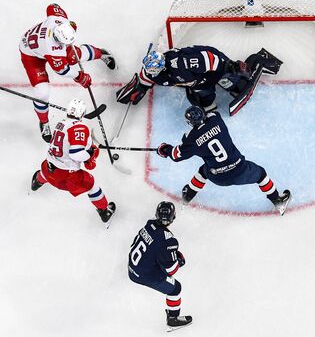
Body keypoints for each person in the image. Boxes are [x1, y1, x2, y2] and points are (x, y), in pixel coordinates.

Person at [157, 106, 292, 215]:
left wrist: (164, 149)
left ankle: (188, 196)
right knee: (261, 174)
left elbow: (175, 155)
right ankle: (277, 201)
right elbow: (212, 114)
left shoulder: (191, 140)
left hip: (217, 177)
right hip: (240, 169)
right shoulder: (216, 120)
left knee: (203, 171)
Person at [19, 3, 116, 142]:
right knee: (42, 93)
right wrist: (80, 77)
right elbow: (62, 70)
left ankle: (101, 53)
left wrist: (69, 25)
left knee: (74, 55)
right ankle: (44, 122)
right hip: (31, 56)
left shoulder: (58, 20)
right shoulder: (53, 48)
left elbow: (52, 6)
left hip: (42, 43)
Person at [115, 45, 282, 116]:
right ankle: (209, 99)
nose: (149, 72)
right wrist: (140, 89)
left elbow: (209, 58)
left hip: (213, 65)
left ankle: (259, 61)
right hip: (196, 79)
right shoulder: (154, 71)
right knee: (202, 93)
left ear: (160, 65)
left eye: (152, 70)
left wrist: (230, 66)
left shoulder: (180, 62)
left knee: (229, 83)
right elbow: (145, 78)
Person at [30, 98, 116, 224]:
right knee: (92, 186)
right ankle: (104, 211)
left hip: (48, 168)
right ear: (82, 113)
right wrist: (89, 154)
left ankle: (37, 182)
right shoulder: (79, 127)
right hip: (66, 177)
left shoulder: (62, 123)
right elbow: (76, 154)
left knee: (48, 171)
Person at [128, 201, 192, 331]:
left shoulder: (149, 224)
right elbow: (171, 269)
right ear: (173, 217)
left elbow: (137, 243)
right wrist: (180, 260)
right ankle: (173, 319)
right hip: (143, 275)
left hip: (131, 268)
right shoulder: (169, 240)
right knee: (176, 289)